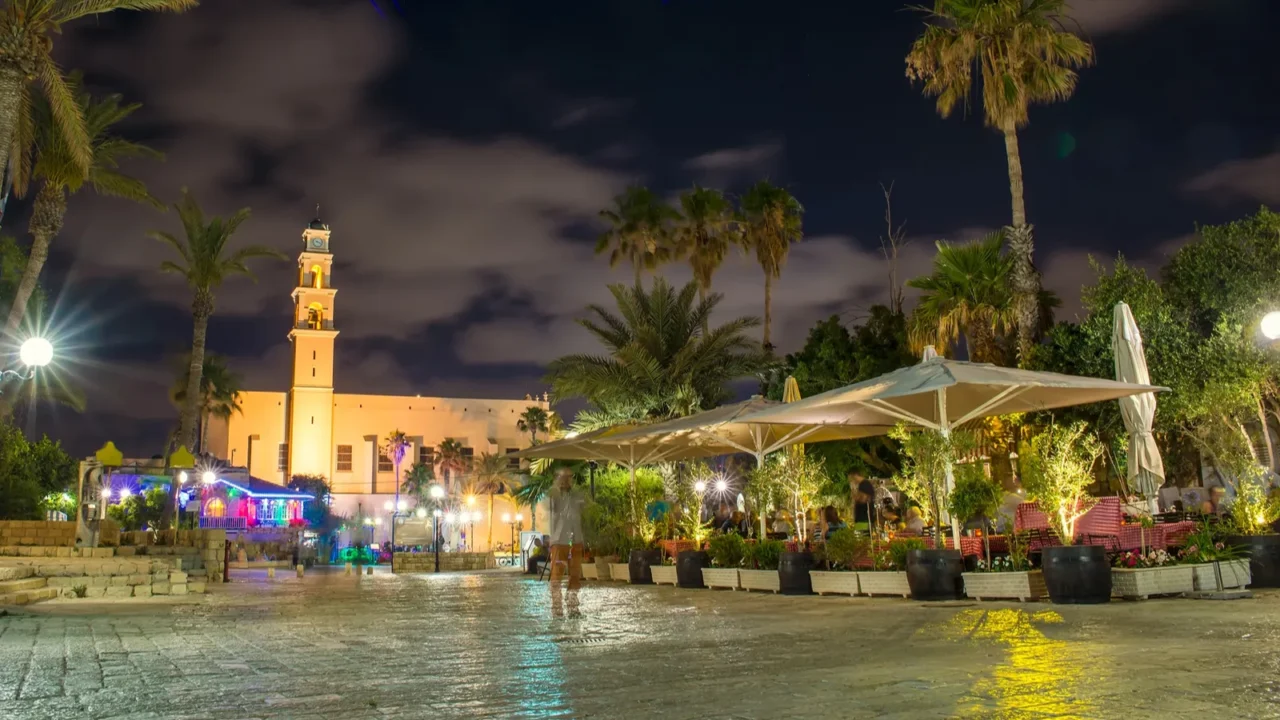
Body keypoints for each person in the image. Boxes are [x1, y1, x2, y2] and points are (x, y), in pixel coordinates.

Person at [547, 467, 586, 618]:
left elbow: (581, 513)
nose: (566, 480)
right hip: (559, 540)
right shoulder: (553, 495)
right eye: (563, 477)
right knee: (556, 577)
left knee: (575, 576)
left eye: (569, 477)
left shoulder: (577, 495)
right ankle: (557, 609)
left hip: (575, 540)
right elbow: (549, 515)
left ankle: (573, 607)